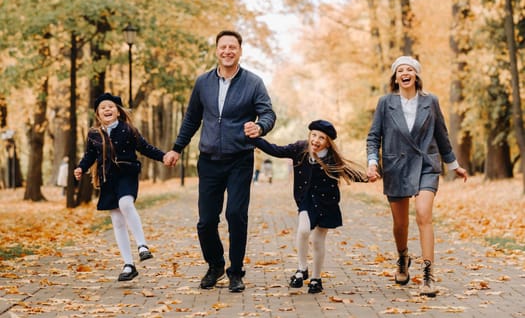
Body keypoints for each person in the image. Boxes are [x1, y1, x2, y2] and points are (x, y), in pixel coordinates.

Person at [163, 30, 276, 292]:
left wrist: (260, 127)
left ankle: (235, 272)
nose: (227, 51)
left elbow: (268, 113)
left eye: (232, 47)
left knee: (236, 215)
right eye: (223, 47)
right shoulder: (203, 82)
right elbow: (192, 118)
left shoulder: (253, 82)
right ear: (216, 50)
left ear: (240, 51)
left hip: (240, 159)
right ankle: (215, 265)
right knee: (206, 221)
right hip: (209, 160)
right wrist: (177, 148)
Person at [366, 56, 468, 297]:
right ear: (395, 77)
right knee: (400, 224)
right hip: (396, 167)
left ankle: (428, 276)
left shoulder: (430, 101)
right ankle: (403, 258)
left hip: (425, 164)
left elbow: (442, 135)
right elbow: (373, 137)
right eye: (400, 70)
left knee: (424, 215)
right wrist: (372, 163)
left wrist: (454, 165)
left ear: (416, 75)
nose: (405, 72)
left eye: (409, 69)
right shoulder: (385, 102)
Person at [250, 120, 367, 294]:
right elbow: (276, 150)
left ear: (328, 142)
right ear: (309, 135)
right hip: (306, 200)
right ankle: (301, 269)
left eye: (321, 138)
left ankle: (316, 278)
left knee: (319, 240)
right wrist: (254, 139)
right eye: (314, 135)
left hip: (327, 202)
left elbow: (347, 171)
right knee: (303, 230)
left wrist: (367, 177)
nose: (316, 140)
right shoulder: (300, 149)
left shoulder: (332, 158)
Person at [74, 93, 166, 282]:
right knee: (117, 221)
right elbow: (89, 155)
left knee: (125, 204)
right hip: (107, 179)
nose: (107, 109)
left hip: (126, 174)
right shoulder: (93, 134)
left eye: (111, 107)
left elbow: (145, 147)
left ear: (118, 111)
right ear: (98, 114)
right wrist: (80, 168)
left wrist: (164, 156)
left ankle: (142, 246)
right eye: (103, 107)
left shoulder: (128, 129)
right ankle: (128, 265)